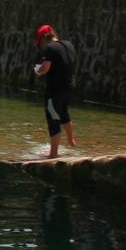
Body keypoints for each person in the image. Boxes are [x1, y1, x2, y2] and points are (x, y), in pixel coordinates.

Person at [33, 25, 79, 159]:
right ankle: (71, 141)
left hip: (55, 89)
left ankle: (53, 154)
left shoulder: (50, 48)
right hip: (69, 86)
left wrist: (37, 71)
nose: (40, 45)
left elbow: (45, 68)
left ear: (42, 39)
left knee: (53, 117)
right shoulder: (68, 44)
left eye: (39, 42)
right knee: (64, 112)